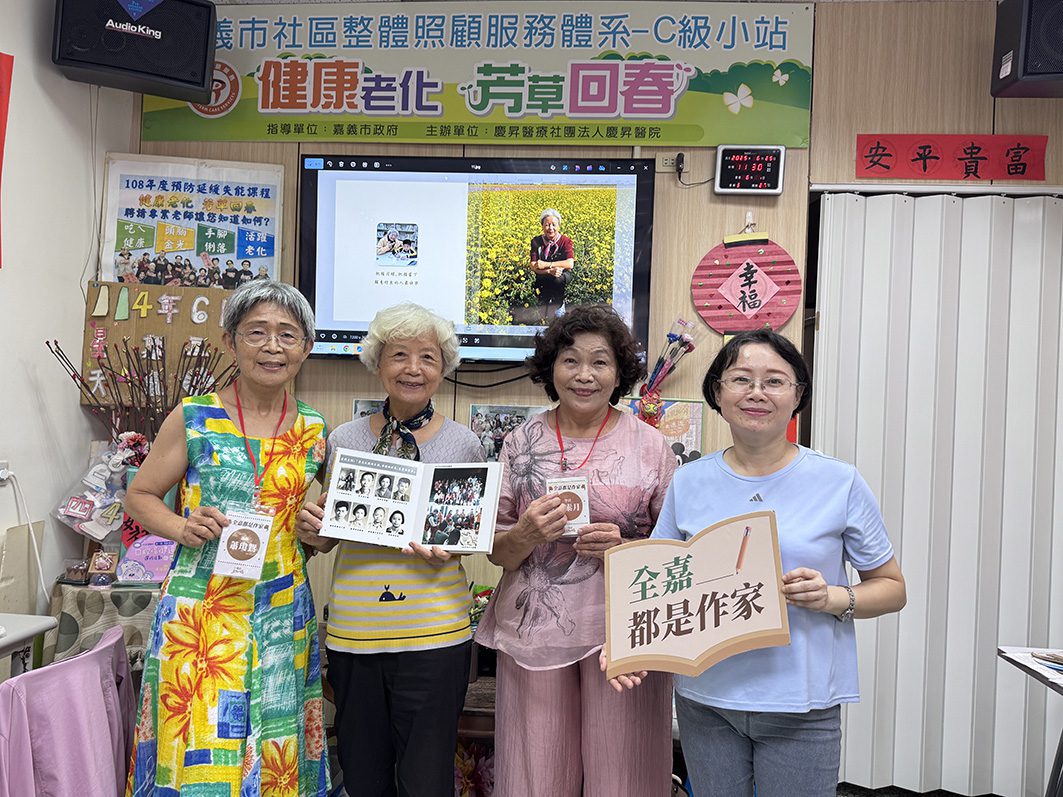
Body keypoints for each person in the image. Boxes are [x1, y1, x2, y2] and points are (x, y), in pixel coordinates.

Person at [644, 328, 907, 797]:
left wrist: (832, 597)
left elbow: (891, 588)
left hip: (800, 703)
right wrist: (629, 646)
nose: (756, 393)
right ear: (718, 392)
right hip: (707, 701)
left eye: (774, 381)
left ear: (797, 395)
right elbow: (660, 583)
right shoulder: (688, 481)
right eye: (741, 379)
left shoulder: (838, 481)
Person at [124, 279, 329, 795]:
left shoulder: (314, 429)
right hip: (200, 611)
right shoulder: (195, 416)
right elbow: (140, 496)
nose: (272, 346)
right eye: (256, 332)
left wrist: (319, 531)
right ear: (229, 341)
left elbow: (316, 531)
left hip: (281, 611)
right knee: (198, 750)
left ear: (305, 347)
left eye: (287, 334)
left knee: (277, 748)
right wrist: (180, 526)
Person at [475, 303, 677, 796]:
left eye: (599, 362)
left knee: (625, 772)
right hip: (536, 631)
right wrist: (527, 533)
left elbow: (677, 553)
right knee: (536, 772)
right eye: (570, 360)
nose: (584, 375)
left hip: (627, 634)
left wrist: (624, 547)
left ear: (619, 374)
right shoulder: (520, 441)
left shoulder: (652, 446)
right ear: (551, 369)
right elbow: (497, 552)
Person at [296, 302, 484, 797]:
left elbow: (465, 539)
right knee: (364, 776)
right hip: (356, 635)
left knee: (427, 779)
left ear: (443, 367)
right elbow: (328, 534)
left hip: (436, 636)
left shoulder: (465, 444)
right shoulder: (343, 439)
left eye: (427, 357)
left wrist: (453, 548)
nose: (413, 368)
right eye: (399, 354)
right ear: (377, 362)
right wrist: (312, 528)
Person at [511, 208, 575, 325]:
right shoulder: (536, 241)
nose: (551, 228)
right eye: (547, 225)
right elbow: (533, 266)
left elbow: (570, 264)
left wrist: (547, 265)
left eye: (554, 225)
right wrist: (549, 271)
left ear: (559, 226)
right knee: (545, 284)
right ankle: (545, 314)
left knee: (558, 280)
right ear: (542, 226)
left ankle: (558, 310)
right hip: (543, 274)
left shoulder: (566, 241)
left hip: (562, 274)